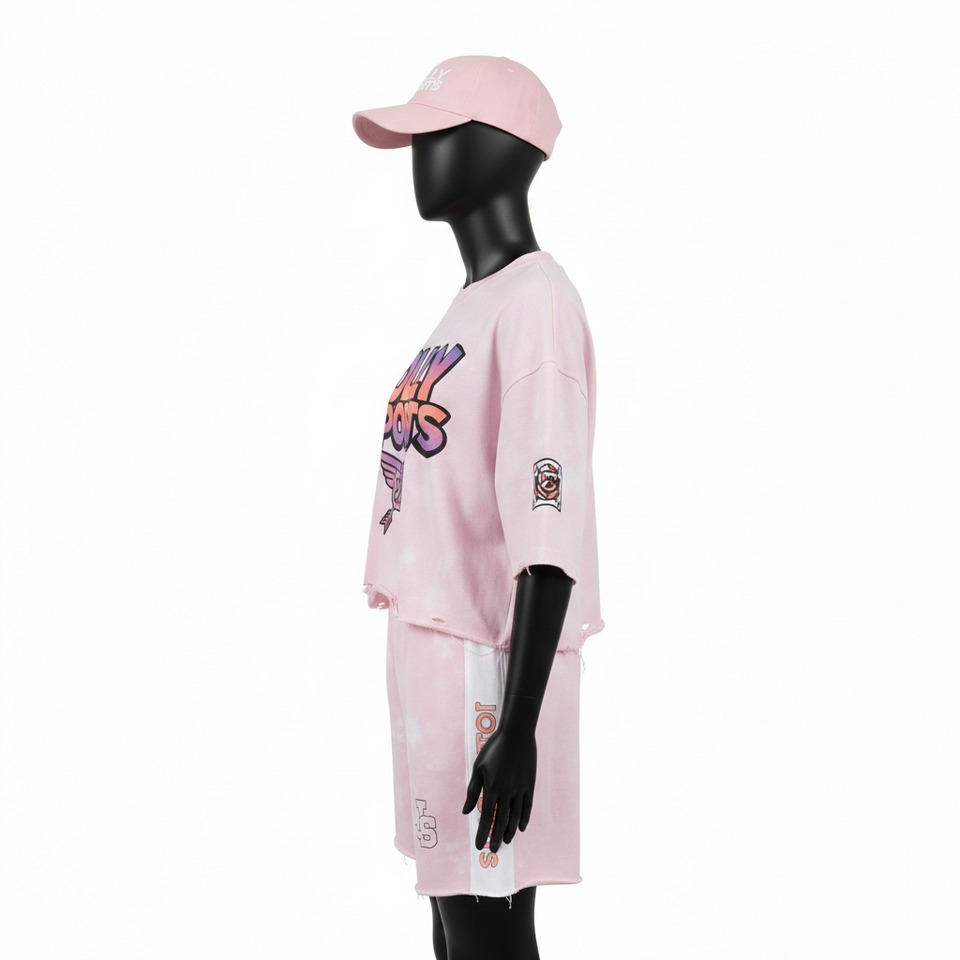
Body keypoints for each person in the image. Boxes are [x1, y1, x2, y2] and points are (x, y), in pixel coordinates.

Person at [352, 56, 604, 960]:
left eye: (439, 134)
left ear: (503, 146)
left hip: (486, 671)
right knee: (453, 922)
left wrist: (518, 725)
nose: (421, 156)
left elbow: (549, 523)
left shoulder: (536, 303)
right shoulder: (473, 303)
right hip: (434, 658)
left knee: (486, 930)